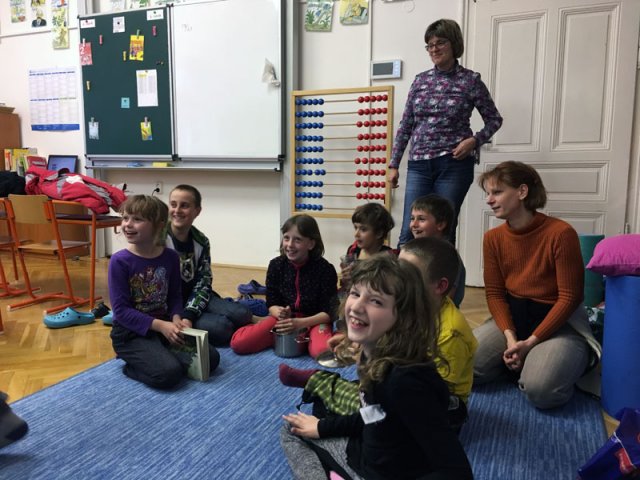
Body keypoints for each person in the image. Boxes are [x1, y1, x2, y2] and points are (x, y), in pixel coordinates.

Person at [280, 255, 473, 479]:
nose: (356, 306)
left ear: (403, 317)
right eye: (355, 293)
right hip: (370, 451)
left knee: (290, 431)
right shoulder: (372, 354)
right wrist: (322, 428)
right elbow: (373, 413)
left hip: (378, 470)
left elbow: (457, 472)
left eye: (376, 301)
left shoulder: (404, 381)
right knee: (314, 415)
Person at [473, 161, 601, 409]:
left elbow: (570, 297)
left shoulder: (561, 233)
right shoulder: (492, 239)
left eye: (497, 192)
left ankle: (559, 358)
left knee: (541, 390)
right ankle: (523, 360)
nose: (489, 200)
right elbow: (495, 293)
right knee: (462, 364)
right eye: (487, 193)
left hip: (560, 324)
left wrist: (531, 342)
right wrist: (511, 339)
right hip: (515, 318)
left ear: (522, 192)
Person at [389, 18, 503, 246]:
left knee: (443, 232)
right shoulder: (420, 81)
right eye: (430, 45)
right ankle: (407, 271)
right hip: (419, 165)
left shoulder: (470, 80)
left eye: (440, 43)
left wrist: (474, 141)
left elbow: (494, 119)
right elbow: (406, 125)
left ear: (454, 44)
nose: (434, 49)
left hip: (453, 165)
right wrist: (393, 164)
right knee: (409, 233)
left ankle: (444, 271)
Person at [109, 195, 220, 389]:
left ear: (159, 225)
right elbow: (121, 311)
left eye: (137, 219)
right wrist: (161, 326)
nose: (128, 224)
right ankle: (131, 366)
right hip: (130, 333)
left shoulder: (170, 257)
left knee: (211, 359)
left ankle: (158, 355)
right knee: (169, 374)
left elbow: (175, 295)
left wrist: (177, 317)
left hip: (164, 326)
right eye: (125, 218)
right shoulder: (119, 261)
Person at [230, 214, 337, 359]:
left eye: (297, 240)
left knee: (323, 352)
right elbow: (272, 303)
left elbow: (329, 313)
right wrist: (280, 313)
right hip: (284, 322)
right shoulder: (276, 265)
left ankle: (315, 338)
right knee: (239, 343)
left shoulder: (325, 270)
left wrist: (300, 323)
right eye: (286, 238)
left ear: (311, 244)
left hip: (315, 321)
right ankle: (260, 326)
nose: (290, 245)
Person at [165, 184, 260, 346]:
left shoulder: (201, 241)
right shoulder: (158, 240)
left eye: (184, 206)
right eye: (173, 205)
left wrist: (189, 315)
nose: (177, 210)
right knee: (222, 328)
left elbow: (203, 282)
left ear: (197, 211)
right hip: (170, 307)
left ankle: (240, 317)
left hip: (195, 298)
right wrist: (181, 317)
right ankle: (236, 325)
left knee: (242, 313)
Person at [409, 193, 466, 306]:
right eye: (412, 218)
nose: (414, 224)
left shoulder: (447, 257)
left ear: (440, 224)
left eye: (421, 219)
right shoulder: (418, 251)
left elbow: (446, 299)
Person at [339, 202, 395, 295]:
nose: (356, 234)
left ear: (379, 233)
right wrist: (346, 279)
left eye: (363, 229)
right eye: (355, 228)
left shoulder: (387, 257)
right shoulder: (353, 250)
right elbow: (348, 286)